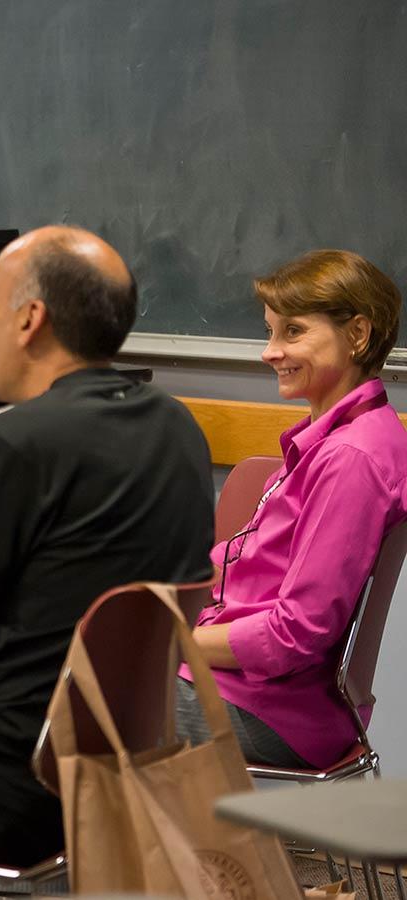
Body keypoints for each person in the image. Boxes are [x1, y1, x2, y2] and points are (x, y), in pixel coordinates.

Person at [0, 226, 215, 867]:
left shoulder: (11, 440)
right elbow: (61, 605)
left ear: (30, 319)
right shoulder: (177, 426)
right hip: (106, 773)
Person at [179, 249, 407, 769]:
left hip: (272, 709)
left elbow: (294, 634)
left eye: (293, 332)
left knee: (44, 699)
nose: (269, 352)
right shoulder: (334, 440)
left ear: (357, 335)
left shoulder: (352, 458)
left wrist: (177, 642)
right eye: (269, 332)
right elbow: (252, 568)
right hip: (250, 690)